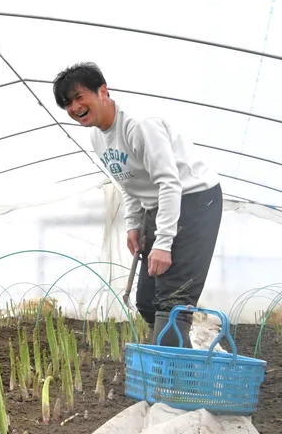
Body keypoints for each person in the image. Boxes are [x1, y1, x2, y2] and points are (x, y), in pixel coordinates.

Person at [52, 62, 222, 347]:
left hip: (194, 200)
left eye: (79, 97)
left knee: (172, 302)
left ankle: (168, 387)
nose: (74, 107)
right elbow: (126, 179)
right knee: (146, 301)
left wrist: (163, 244)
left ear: (103, 91)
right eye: (67, 103)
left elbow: (170, 182)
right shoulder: (97, 136)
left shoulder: (139, 125)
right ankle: (197, 345)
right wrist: (133, 225)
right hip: (157, 207)